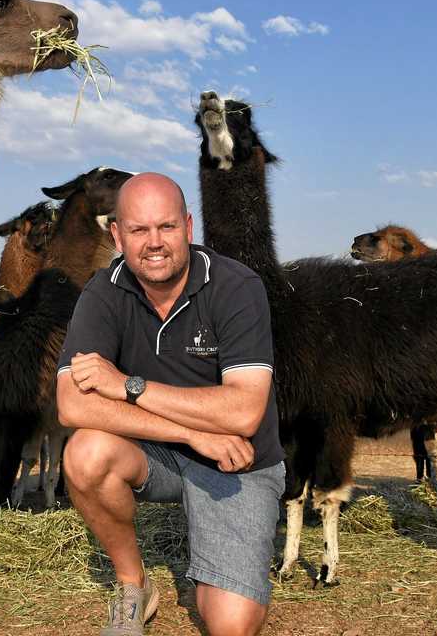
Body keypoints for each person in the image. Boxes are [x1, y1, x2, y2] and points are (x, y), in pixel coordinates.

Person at [56, 172, 284, 636]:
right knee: (85, 452)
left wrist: (129, 385)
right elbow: (71, 405)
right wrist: (192, 433)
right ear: (117, 235)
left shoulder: (236, 287)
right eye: (138, 230)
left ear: (189, 226)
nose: (154, 243)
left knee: (231, 624)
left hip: (237, 461)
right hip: (163, 451)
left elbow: (243, 413)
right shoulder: (104, 291)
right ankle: (133, 585)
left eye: (167, 227)